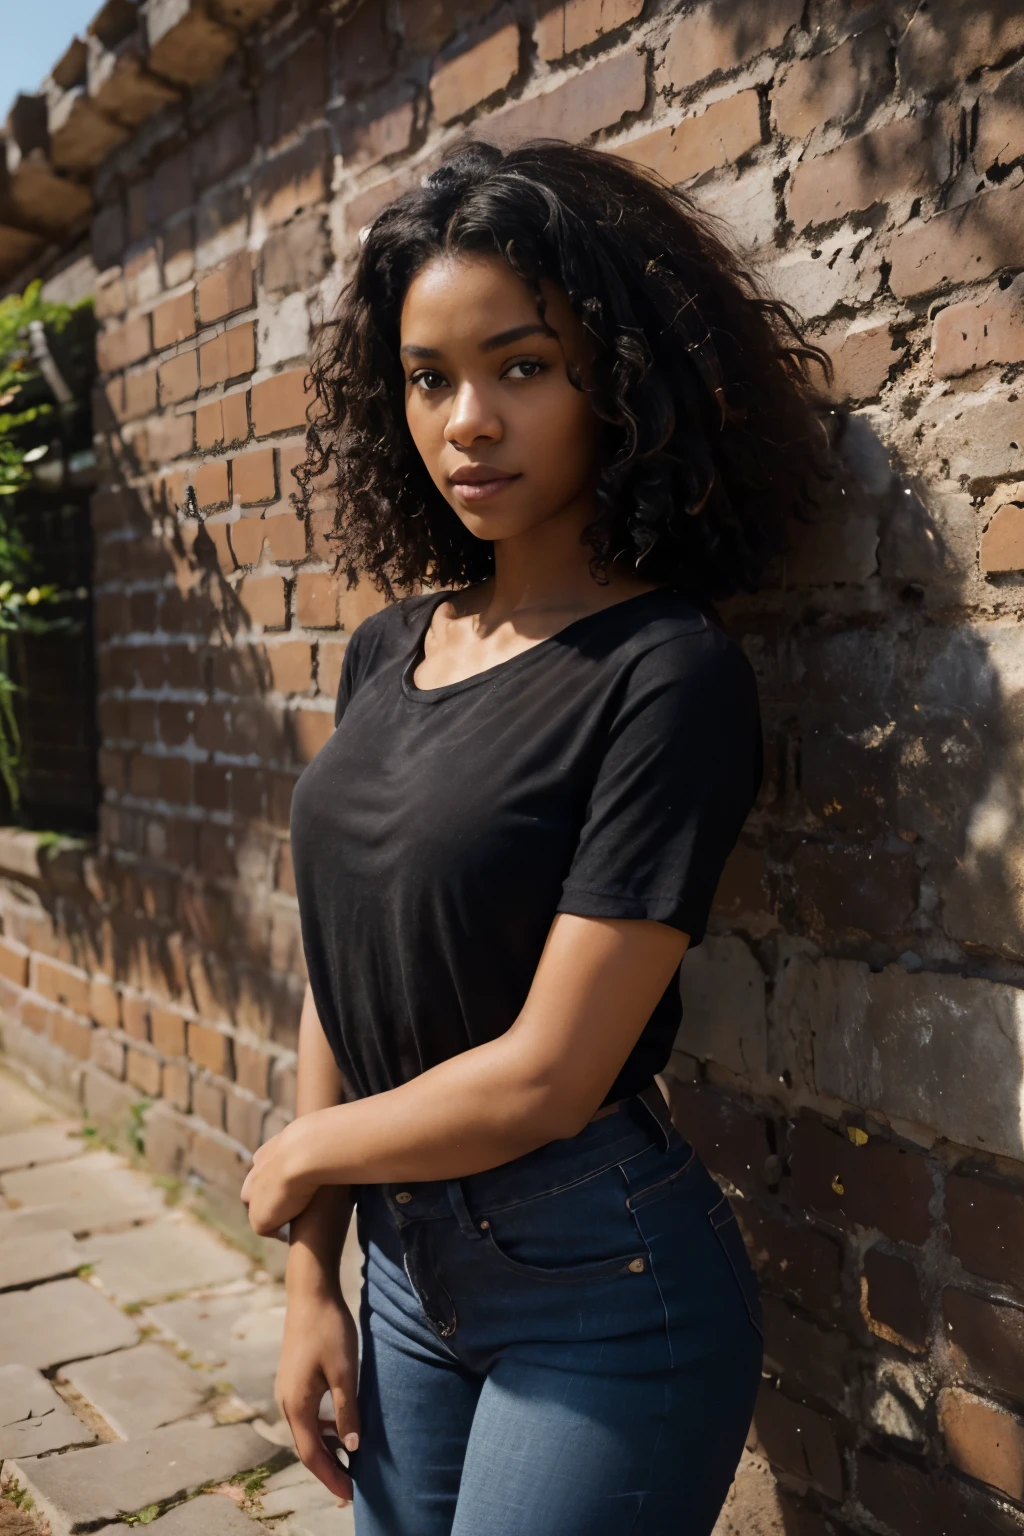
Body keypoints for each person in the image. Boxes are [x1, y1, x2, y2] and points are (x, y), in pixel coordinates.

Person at [240, 138, 835, 1535]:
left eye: (522, 367)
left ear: (617, 382)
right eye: (429, 378)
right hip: (405, 1273)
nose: (467, 424)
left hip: (603, 1288)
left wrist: (312, 1156)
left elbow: (552, 1073)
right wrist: (311, 1280)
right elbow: (350, 966)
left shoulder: (664, 674)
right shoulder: (393, 647)